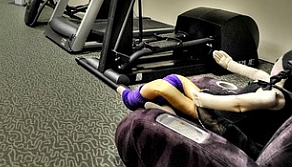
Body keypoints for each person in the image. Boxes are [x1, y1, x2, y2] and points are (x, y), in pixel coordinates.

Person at [117, 49, 292, 159]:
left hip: (224, 125)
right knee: (177, 80)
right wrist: (229, 63)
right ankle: (169, 111)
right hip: (222, 113)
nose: (275, 61)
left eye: (278, 60)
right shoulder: (274, 84)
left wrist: (205, 100)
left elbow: (240, 104)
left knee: (164, 87)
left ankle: (129, 97)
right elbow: (255, 72)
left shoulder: (275, 97)